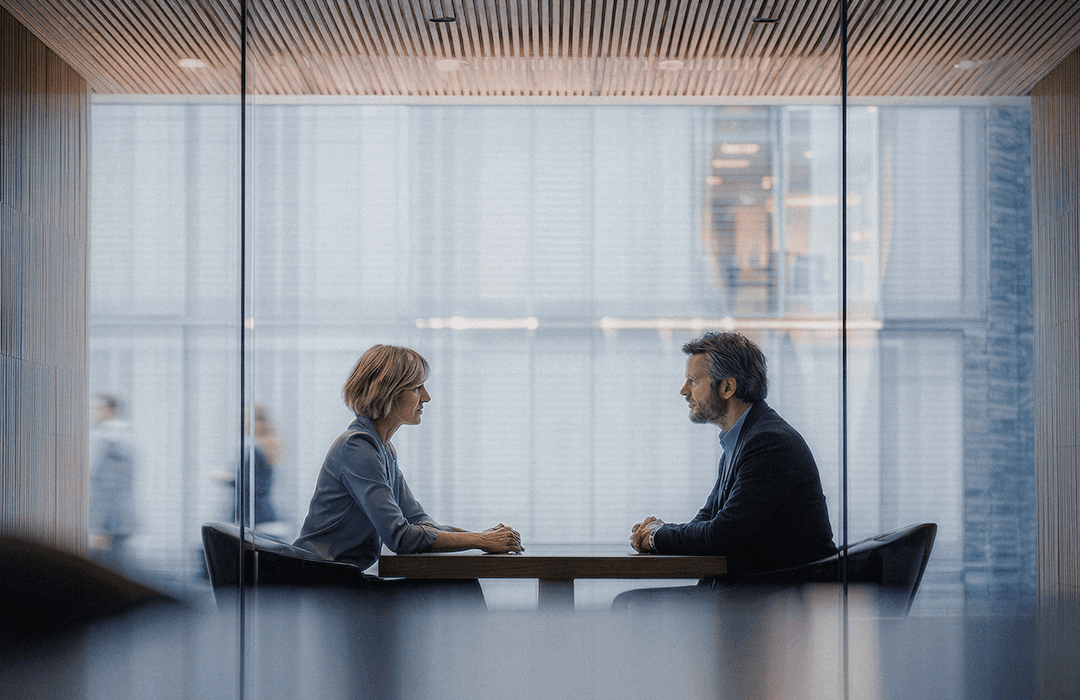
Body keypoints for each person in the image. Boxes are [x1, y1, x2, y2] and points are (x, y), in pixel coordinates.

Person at [294, 344, 522, 577]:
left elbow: (418, 520)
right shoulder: (357, 447)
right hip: (319, 580)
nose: (427, 397)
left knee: (457, 584)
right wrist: (481, 540)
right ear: (387, 392)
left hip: (340, 578)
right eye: (417, 388)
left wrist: (483, 536)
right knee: (455, 585)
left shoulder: (382, 448)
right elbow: (400, 537)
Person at [628, 331, 836, 578]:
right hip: (758, 590)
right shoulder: (743, 439)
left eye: (693, 381)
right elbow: (707, 520)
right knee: (636, 598)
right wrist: (658, 532)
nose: (684, 390)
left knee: (636, 599)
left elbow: (721, 535)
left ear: (727, 387)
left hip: (782, 594)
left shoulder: (770, 444)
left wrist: (657, 535)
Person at [88, 393, 136, 571]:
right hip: (121, 519)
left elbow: (103, 484)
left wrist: (98, 526)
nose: (93, 412)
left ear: (110, 410)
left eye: (97, 408)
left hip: (107, 521)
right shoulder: (127, 437)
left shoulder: (105, 438)